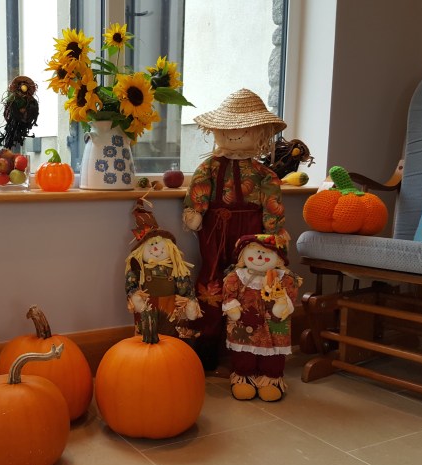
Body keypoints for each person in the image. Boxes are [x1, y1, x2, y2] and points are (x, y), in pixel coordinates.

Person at [183, 89, 289, 370]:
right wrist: (195, 211)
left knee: (250, 282)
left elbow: (272, 204)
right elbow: (199, 190)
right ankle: (206, 349)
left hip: (251, 235)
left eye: (244, 130)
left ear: (260, 133)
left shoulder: (264, 174)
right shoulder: (209, 167)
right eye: (229, 130)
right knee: (212, 281)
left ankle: (248, 348)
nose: (235, 136)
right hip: (216, 231)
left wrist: (273, 230)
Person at [222, 234, 301, 401]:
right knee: (244, 355)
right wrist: (232, 306)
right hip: (245, 324)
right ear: (243, 255)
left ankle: (270, 380)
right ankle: (244, 377)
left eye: (266, 254)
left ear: (278, 258)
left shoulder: (285, 279)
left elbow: (291, 297)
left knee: (272, 356)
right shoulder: (236, 276)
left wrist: (281, 306)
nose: (260, 257)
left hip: (274, 325)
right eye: (256, 252)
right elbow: (229, 295)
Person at [125, 198, 201, 340]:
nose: (155, 248)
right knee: (147, 334)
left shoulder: (176, 267)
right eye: (151, 245)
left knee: (172, 334)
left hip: (171, 307)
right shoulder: (138, 268)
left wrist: (189, 301)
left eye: (160, 245)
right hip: (147, 306)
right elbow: (131, 285)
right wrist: (135, 297)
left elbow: (185, 286)